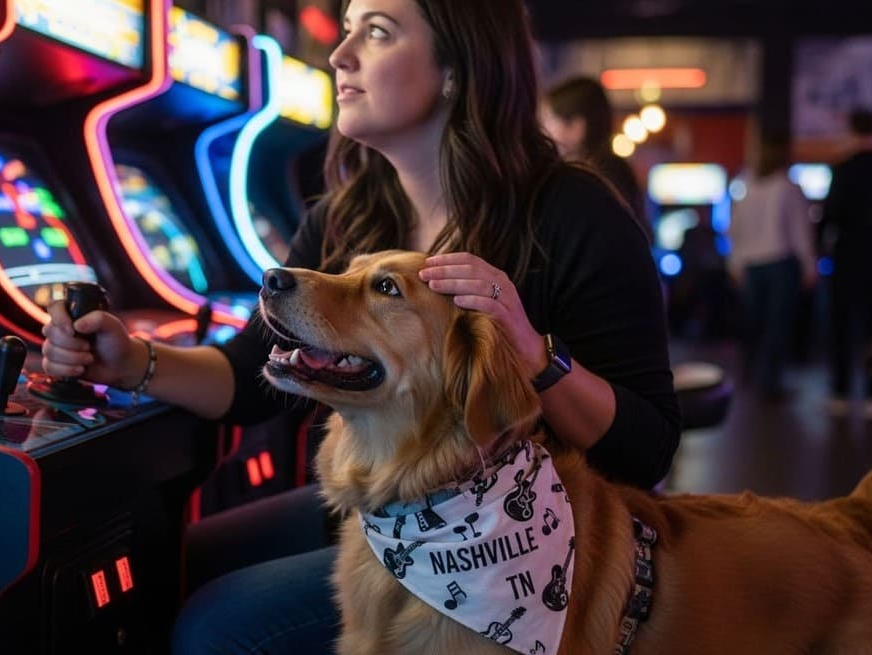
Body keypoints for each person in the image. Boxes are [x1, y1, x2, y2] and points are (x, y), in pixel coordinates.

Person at [41, 0, 680, 651]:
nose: (340, 57)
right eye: (345, 31)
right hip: (388, 514)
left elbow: (645, 448)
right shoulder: (353, 216)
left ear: (457, 69)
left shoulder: (572, 214)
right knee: (171, 568)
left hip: (525, 552)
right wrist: (132, 361)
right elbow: (250, 375)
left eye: (376, 33)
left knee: (219, 627)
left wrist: (535, 355)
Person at [727, 136, 818, 401]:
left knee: (754, 323)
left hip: (751, 265)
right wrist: (809, 266)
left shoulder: (745, 186)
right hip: (780, 264)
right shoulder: (788, 187)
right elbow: (800, 230)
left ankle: (748, 375)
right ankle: (769, 383)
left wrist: (734, 264)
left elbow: (734, 230)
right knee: (776, 326)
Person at [819, 108, 872, 418]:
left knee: (842, 326)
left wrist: (818, 248)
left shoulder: (843, 168)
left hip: (846, 256)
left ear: (850, 129)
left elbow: (828, 215)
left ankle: (840, 393)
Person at [539, 75, 650, 242]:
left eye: (548, 121)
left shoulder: (589, 180)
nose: (543, 132)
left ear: (577, 128)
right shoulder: (616, 169)